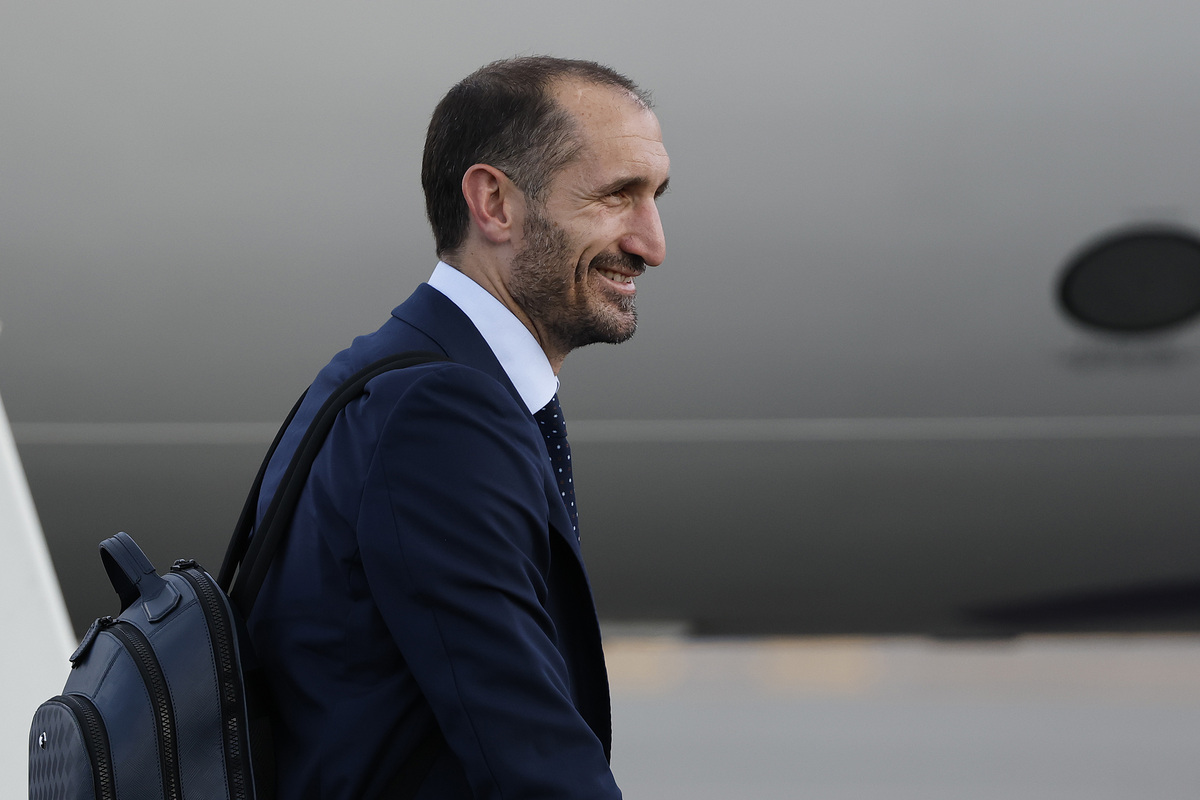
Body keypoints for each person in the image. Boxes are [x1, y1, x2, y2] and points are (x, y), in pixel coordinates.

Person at [245, 55, 670, 799]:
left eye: (655, 197)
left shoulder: (384, 372)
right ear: (495, 204)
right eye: (617, 196)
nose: (651, 243)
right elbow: (528, 754)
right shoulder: (440, 414)